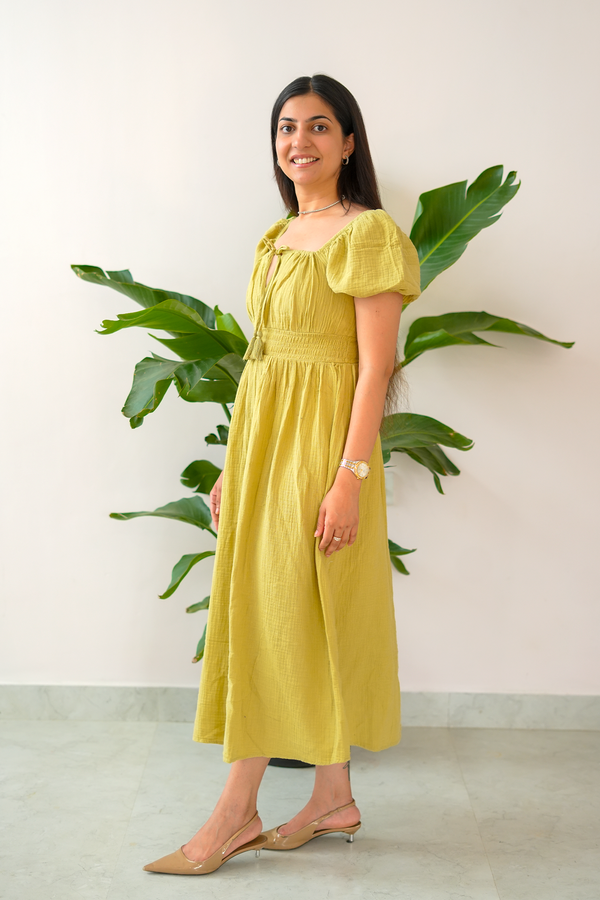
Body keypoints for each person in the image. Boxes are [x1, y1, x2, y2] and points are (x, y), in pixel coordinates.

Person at [144, 73, 421, 876]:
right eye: (287, 127)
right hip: (264, 445)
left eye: (319, 126)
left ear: (349, 143)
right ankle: (332, 798)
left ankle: (234, 812)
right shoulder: (278, 237)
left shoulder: (366, 233)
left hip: (321, 450)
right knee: (286, 611)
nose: (300, 140)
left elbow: (374, 369)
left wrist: (350, 477)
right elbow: (261, 362)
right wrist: (235, 464)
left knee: (283, 614)